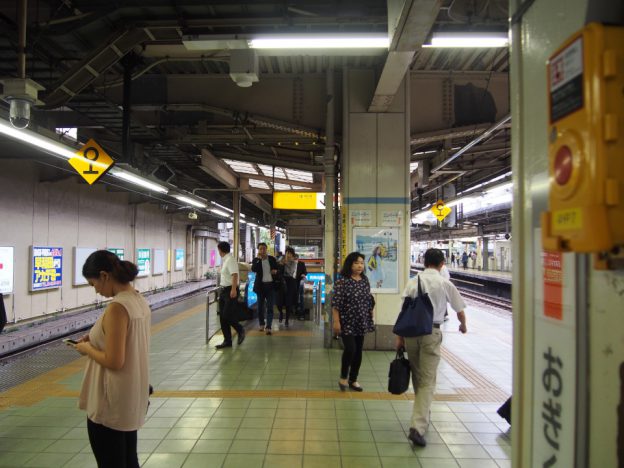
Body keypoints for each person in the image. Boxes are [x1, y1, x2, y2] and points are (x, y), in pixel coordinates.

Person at [72, 250, 150, 468]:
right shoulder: (138, 299)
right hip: (130, 398)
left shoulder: (117, 307)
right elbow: (126, 339)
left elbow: (115, 361)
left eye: (93, 283)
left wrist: (87, 348)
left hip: (110, 403)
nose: (96, 290)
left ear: (104, 276)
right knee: (128, 460)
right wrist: (95, 339)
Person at [395, 248, 467, 447]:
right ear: (442, 263)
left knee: (420, 376)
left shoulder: (412, 282)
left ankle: (423, 414)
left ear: (425, 262)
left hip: (410, 334)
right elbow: (459, 309)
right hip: (431, 334)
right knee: (427, 380)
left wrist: (399, 337)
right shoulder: (444, 283)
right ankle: (417, 427)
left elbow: (403, 311)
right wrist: (463, 325)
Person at [332, 252, 375, 392]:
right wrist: (336, 322)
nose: (360, 266)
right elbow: (336, 303)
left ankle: (353, 379)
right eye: (356, 263)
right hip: (346, 321)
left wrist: (370, 313)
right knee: (350, 349)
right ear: (350, 264)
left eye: (362, 263)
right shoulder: (342, 281)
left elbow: (368, 299)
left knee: (358, 351)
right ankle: (343, 376)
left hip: (361, 320)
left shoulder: (364, 280)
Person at [215, 241, 245, 349]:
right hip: (223, 291)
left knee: (227, 315)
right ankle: (227, 341)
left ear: (220, 250)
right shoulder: (225, 260)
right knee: (222, 317)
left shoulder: (230, 260)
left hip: (229, 291)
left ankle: (240, 329)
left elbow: (235, 275)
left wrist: (233, 289)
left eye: (218, 249)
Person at [251, 242, 278, 335]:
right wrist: (259, 260)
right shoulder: (256, 260)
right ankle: (261, 324)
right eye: (260, 249)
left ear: (266, 249)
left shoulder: (272, 259)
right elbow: (254, 269)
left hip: (270, 286)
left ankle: (269, 326)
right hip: (260, 287)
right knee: (260, 307)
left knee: (270, 307)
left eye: (264, 249)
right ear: (258, 250)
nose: (262, 250)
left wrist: (275, 271)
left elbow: (277, 269)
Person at [280, 247, 307, 327]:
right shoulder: (282, 262)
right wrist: (281, 264)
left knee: (289, 302)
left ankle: (287, 319)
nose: (288, 255)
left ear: (293, 255)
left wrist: (303, 275)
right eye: (287, 253)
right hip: (282, 283)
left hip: (293, 283)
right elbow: (278, 272)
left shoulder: (299, 264)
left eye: (290, 254)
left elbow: (304, 272)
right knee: (280, 302)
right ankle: (281, 313)